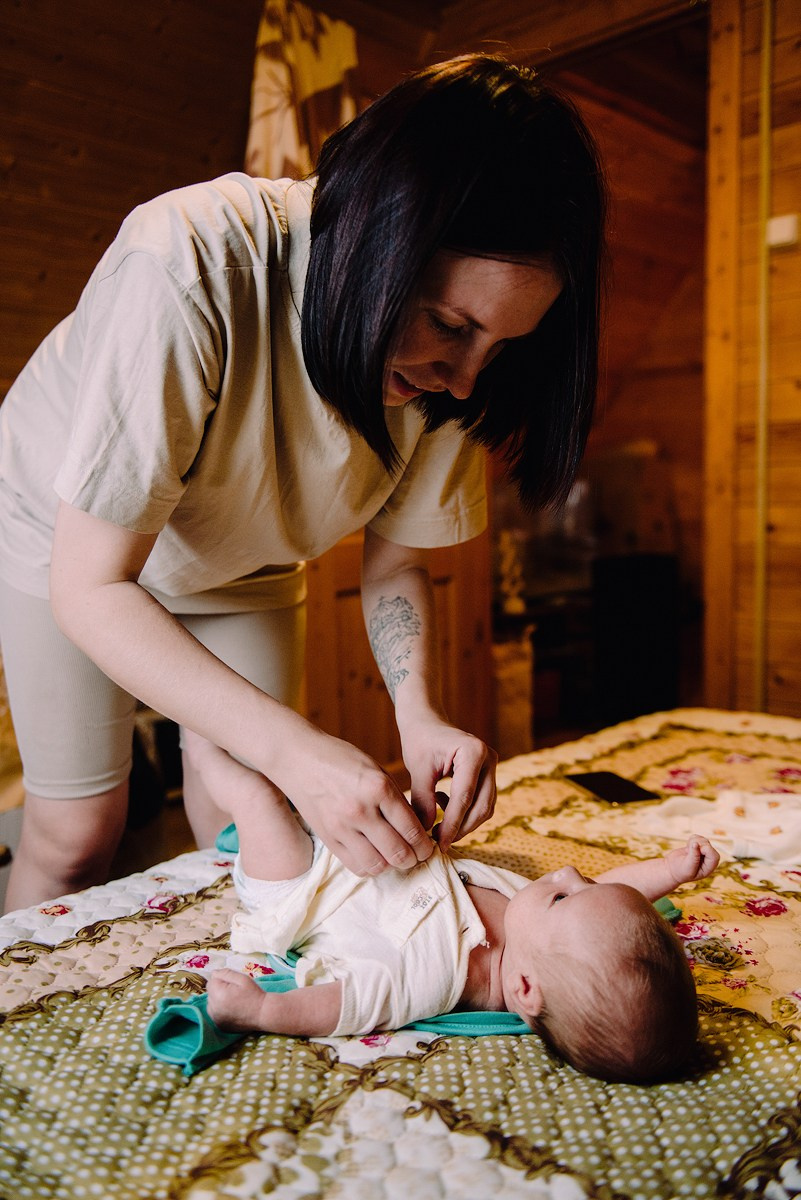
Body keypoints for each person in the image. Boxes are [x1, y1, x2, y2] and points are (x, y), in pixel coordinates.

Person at [0, 53, 607, 911]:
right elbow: (93, 583)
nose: (467, 378)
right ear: (374, 237)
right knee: (77, 832)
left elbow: (394, 564)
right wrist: (297, 747)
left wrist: (417, 713)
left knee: (246, 817)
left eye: (499, 346)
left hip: (244, 558)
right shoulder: (189, 263)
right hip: (63, 539)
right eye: (448, 324)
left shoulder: (452, 376)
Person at [188, 735, 718, 1084]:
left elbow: (348, 1003)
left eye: (562, 894)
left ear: (526, 989)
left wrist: (261, 1012)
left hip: (303, 890)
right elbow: (605, 894)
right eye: (577, 882)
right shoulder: (538, 929)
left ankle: (193, 731)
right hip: (358, 851)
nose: (565, 874)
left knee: (259, 798)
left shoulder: (439, 974)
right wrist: (669, 871)